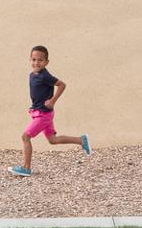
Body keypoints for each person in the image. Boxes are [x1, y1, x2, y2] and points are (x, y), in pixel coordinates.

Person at [10, 44, 91, 177]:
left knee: (25, 136)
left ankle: (26, 168)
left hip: (44, 115)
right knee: (52, 140)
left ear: (46, 62)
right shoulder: (32, 75)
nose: (37, 62)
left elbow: (62, 85)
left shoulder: (44, 76)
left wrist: (53, 101)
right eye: (34, 59)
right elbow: (38, 94)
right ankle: (81, 140)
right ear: (30, 59)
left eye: (40, 60)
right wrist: (33, 107)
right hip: (41, 112)